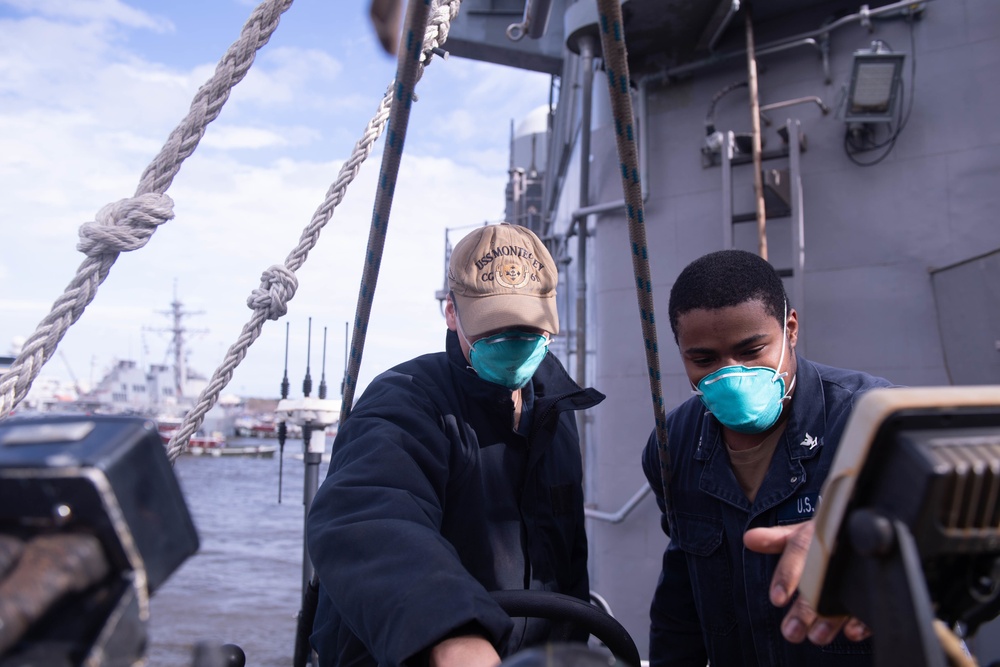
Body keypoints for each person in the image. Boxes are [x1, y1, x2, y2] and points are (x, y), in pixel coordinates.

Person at [306, 223, 605, 667]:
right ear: (451, 313)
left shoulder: (557, 416)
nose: (513, 345)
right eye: (493, 329)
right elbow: (370, 512)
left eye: (527, 329)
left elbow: (567, 570)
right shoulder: (405, 400)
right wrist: (451, 630)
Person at [641, 249, 894, 666]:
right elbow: (682, 597)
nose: (732, 374)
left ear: (790, 329)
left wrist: (860, 538)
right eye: (703, 359)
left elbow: (961, 549)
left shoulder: (874, 419)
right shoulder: (673, 445)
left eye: (752, 349)